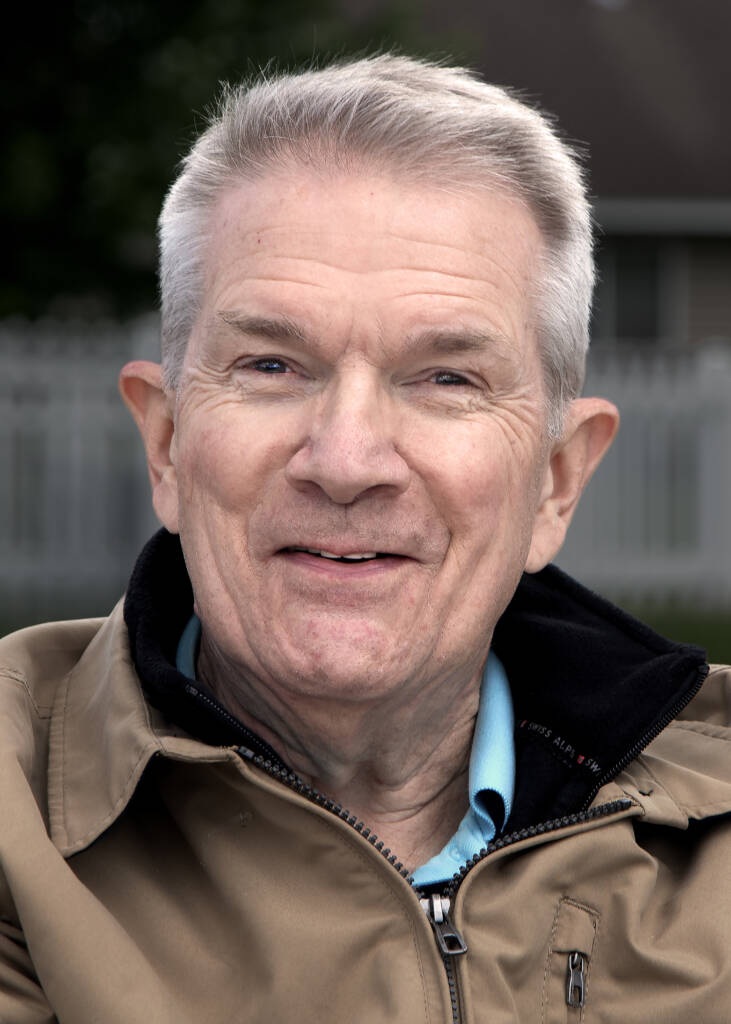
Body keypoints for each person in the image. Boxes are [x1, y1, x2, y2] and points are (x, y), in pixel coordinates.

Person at [1, 54, 729, 1024]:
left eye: (443, 378)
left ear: (555, 480)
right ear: (168, 443)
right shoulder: (17, 827)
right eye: (271, 362)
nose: (345, 461)